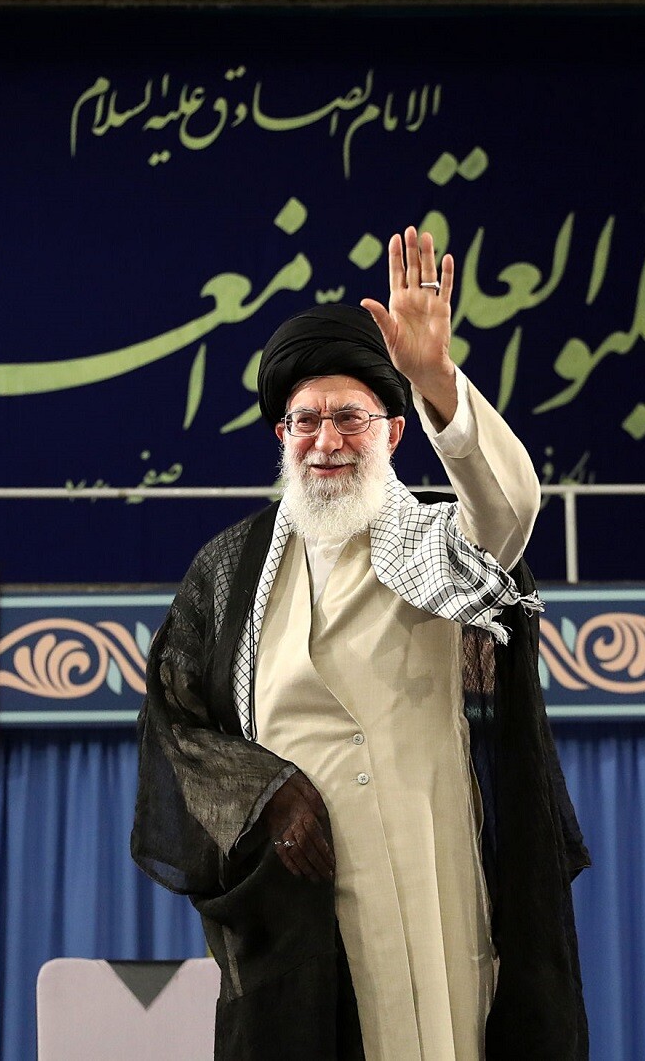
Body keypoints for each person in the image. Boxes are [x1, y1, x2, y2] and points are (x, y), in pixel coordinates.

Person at [132, 227, 588, 1060]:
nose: (327, 440)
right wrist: (267, 794)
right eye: (305, 421)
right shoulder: (230, 571)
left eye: (350, 417)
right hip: (294, 911)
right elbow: (174, 723)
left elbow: (511, 509)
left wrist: (435, 377)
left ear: (393, 432)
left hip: (427, 883)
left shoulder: (436, 549)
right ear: (281, 436)